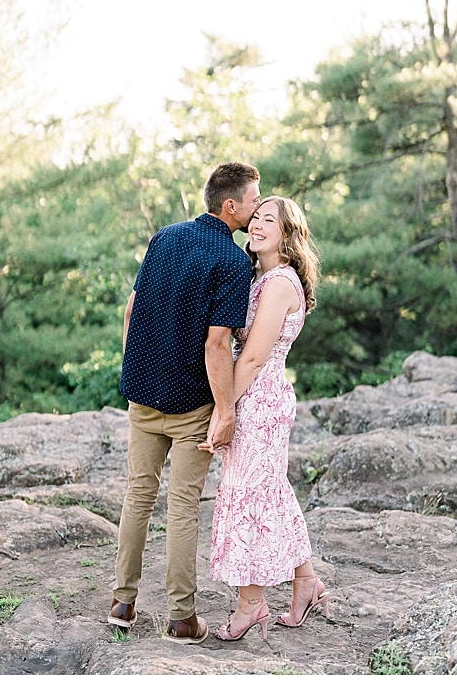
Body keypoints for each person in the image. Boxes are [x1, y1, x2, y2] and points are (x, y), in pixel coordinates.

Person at [108, 162, 262, 645]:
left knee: (138, 496)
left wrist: (137, 366)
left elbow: (133, 309)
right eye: (254, 200)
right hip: (192, 404)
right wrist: (226, 409)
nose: (257, 209)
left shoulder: (164, 238)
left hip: (143, 394)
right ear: (230, 205)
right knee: (182, 506)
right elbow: (218, 345)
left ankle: (122, 604)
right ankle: (181, 618)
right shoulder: (233, 263)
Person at [203, 195, 331, 642]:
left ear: (287, 233)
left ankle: (251, 603)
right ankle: (307, 583)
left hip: (259, 399)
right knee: (269, 491)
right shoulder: (260, 276)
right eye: (254, 218)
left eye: (267, 220)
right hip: (254, 394)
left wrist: (225, 411)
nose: (256, 225)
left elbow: (254, 356)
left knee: (251, 498)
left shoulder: (279, 283)